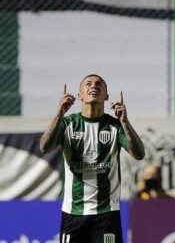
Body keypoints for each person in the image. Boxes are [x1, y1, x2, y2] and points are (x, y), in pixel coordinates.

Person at [39, 74, 145, 243]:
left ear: (106, 96)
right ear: (80, 95)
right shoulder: (67, 124)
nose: (93, 86)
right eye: (88, 84)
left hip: (106, 212)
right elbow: (44, 147)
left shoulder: (114, 126)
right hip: (73, 212)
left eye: (99, 84)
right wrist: (59, 114)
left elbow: (139, 154)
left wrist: (125, 122)